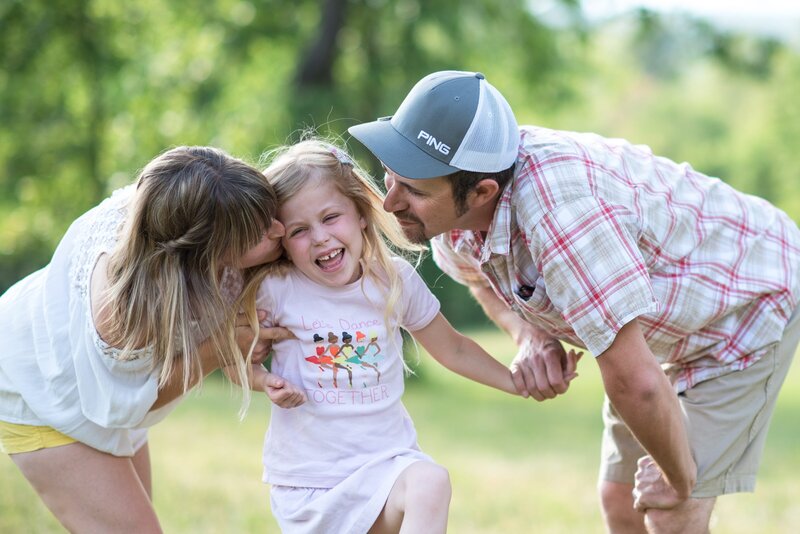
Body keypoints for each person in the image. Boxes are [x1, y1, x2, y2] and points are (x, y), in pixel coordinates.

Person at [348, 70, 800, 533]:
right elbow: (479, 280)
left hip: (743, 306)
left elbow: (636, 382)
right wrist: (532, 337)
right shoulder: (450, 217)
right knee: (620, 498)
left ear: (482, 191)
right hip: (662, 329)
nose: (389, 202)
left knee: (672, 510)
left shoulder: (561, 217)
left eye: (414, 190)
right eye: (391, 176)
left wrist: (682, 481)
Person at [241, 139, 580, 534]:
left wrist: (519, 381)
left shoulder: (393, 280)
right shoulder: (276, 289)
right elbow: (236, 359)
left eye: (331, 217)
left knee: (429, 481)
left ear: (362, 214)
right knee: (426, 482)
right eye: (299, 230)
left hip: (386, 467)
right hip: (310, 482)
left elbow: (452, 347)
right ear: (281, 239)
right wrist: (264, 381)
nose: (319, 237)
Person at [0, 146, 294, 533]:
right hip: (36, 387)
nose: (280, 229)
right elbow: (125, 407)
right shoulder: (124, 309)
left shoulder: (178, 206)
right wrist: (221, 346)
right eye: (260, 232)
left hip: (95, 381)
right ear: (207, 250)